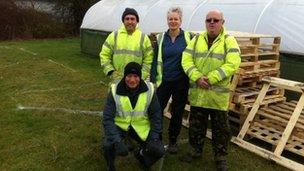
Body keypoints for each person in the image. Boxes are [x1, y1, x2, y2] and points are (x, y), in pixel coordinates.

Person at [180, 10, 241, 171]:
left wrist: (211, 78)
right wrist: (197, 77)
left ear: (222, 22)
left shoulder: (229, 41)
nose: (212, 23)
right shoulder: (197, 39)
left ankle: (221, 157)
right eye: (209, 20)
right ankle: (195, 151)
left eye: (215, 20)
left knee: (220, 129)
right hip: (198, 94)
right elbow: (186, 60)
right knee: (196, 125)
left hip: (216, 97)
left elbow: (232, 63)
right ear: (205, 22)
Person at [102, 62, 165, 171]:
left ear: (140, 77)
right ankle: (110, 166)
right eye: (129, 76)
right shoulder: (114, 90)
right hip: (120, 127)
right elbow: (107, 119)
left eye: (136, 76)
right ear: (124, 76)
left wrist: (154, 136)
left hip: (140, 127)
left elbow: (156, 115)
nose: (132, 80)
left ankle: (141, 156)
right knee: (108, 145)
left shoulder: (150, 90)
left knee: (158, 150)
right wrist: (117, 140)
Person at [150, 7, 193, 154]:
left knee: (177, 112)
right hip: (164, 81)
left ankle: (173, 141)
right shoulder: (161, 37)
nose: (173, 21)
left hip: (181, 82)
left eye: (176, 19)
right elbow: (155, 60)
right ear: (167, 20)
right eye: (170, 19)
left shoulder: (189, 37)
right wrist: (153, 79)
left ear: (180, 21)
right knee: (157, 110)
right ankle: (157, 138)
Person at [100, 8, 153, 82]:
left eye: (132, 19)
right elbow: (104, 55)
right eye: (127, 19)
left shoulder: (144, 38)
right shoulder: (114, 36)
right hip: (117, 79)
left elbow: (149, 59)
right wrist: (111, 71)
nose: (130, 21)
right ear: (123, 21)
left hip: (136, 81)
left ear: (137, 21)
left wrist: (141, 75)